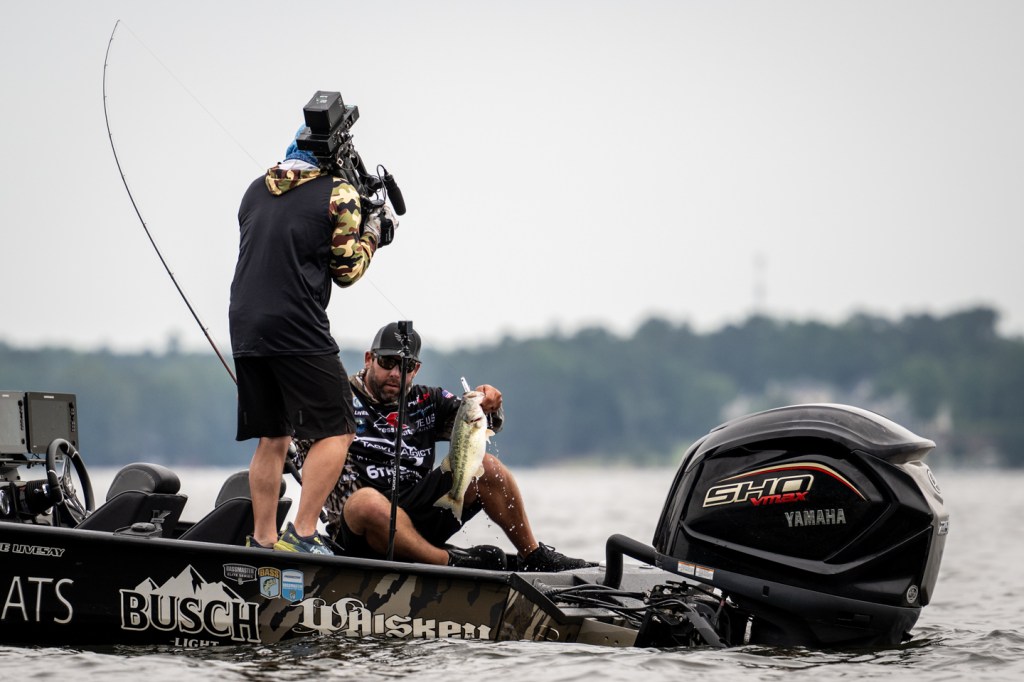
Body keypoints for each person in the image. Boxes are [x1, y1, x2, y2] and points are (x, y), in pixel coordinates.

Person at [295, 322, 595, 571]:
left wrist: (490, 404)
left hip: (419, 512)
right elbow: (298, 439)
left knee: (487, 467)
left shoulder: (429, 400)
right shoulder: (338, 398)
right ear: (368, 359)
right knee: (367, 502)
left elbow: (484, 424)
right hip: (358, 528)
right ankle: (447, 561)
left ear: (416, 369)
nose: (396, 374)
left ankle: (534, 555)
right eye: (387, 363)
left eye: (406, 366)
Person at [228, 127, 395, 555]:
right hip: (296, 323)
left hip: (245, 325)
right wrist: (374, 231)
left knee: (273, 436)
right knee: (338, 429)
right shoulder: (339, 193)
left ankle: (263, 540)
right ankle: (302, 535)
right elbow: (346, 270)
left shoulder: (254, 191)